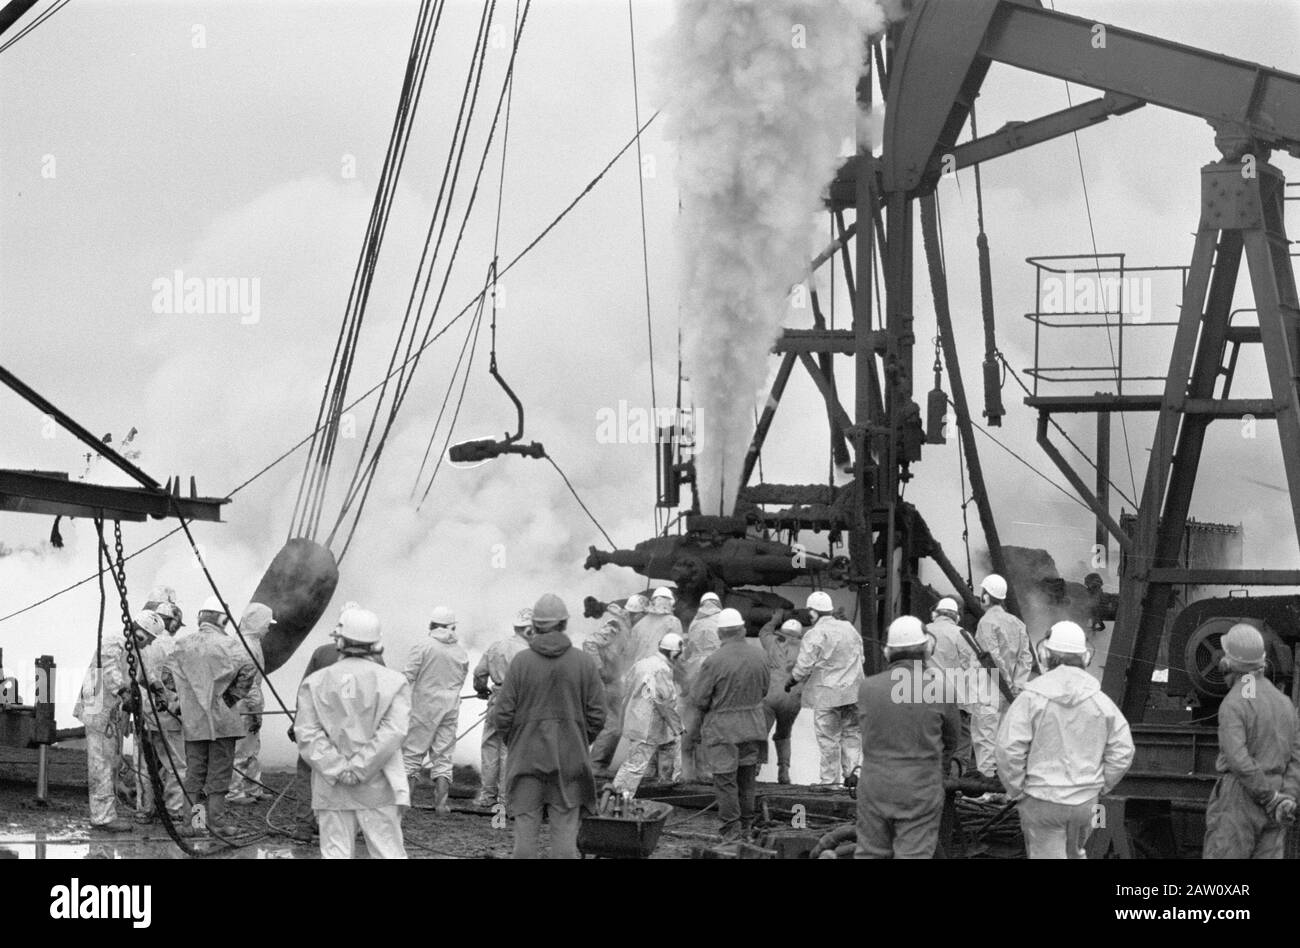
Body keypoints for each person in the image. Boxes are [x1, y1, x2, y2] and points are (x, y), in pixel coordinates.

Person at [996, 621, 1134, 859]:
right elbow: (1123, 750)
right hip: (1085, 803)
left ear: (1045, 654)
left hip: (1041, 800)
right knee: (1075, 854)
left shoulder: (1030, 700)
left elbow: (1009, 749)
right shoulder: (1100, 701)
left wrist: (1017, 790)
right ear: (1085, 657)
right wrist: (1100, 785)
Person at [492, 593, 605, 859]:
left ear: (535, 625)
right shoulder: (583, 663)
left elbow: (502, 715)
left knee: (525, 840)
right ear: (564, 623)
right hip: (570, 762)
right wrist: (577, 737)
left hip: (526, 760)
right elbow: (598, 715)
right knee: (566, 840)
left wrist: (519, 741)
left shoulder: (521, 663)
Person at [296, 608, 412, 859]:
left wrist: (338, 769)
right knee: (387, 853)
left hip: (332, 787)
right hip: (378, 786)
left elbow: (307, 734)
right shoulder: (394, 682)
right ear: (377, 643)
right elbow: (393, 732)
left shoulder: (314, 682)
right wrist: (360, 768)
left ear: (339, 641)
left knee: (335, 854)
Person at [855, 615, 960, 859]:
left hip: (874, 786)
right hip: (920, 788)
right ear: (927, 650)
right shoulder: (940, 689)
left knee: (870, 853)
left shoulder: (868, 688)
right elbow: (951, 740)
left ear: (887, 652)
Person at [286, 602, 382, 843]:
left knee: (308, 772)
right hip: (356, 732)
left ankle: (303, 828)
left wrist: (298, 722)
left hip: (320, 727)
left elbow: (304, 691)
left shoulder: (322, 653)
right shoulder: (376, 660)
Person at [1202, 623, 1300, 859]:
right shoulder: (1284, 703)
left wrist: (1268, 797)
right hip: (1277, 799)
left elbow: (1238, 760)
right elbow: (1296, 756)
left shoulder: (1234, 703)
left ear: (1227, 663)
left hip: (1241, 798)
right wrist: (1285, 798)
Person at [170, 596, 257, 834]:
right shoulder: (232, 646)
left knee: (194, 775)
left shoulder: (181, 645)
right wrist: (231, 697)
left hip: (194, 722)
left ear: (200, 617)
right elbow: (249, 670)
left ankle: (194, 824)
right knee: (218, 776)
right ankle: (216, 824)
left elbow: (168, 676)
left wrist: (185, 700)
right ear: (222, 619)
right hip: (223, 721)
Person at [685, 608, 769, 841]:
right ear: (742, 630)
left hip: (723, 730)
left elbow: (699, 699)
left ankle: (731, 832)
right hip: (753, 726)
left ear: (721, 633)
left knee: (725, 782)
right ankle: (747, 828)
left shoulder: (714, 661)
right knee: (747, 780)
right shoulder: (761, 656)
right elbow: (764, 690)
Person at [73, 614, 160, 832]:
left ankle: (105, 812)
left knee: (110, 760)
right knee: (101, 762)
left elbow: (141, 673)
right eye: (148, 638)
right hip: (97, 706)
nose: (149, 643)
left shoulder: (133, 648)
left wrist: (158, 688)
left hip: (109, 707)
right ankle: (102, 818)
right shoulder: (113, 641)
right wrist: (123, 691)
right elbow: (109, 669)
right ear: (140, 632)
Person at [786, 591, 865, 787]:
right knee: (852, 734)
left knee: (829, 739)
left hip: (828, 695)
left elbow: (804, 666)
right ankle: (852, 776)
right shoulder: (850, 629)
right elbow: (861, 658)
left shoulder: (815, 634)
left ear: (813, 613)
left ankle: (829, 782)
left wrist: (792, 680)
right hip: (854, 693)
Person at [401, 605, 469, 815]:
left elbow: (407, 677)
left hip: (422, 707)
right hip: (450, 708)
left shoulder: (423, 646)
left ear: (431, 625)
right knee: (443, 756)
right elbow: (460, 679)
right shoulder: (460, 652)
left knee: (411, 755)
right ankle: (441, 805)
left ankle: (406, 802)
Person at [972, 574, 1032, 779]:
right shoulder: (1016, 622)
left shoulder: (986, 622)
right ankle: (1005, 784)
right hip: (1011, 693)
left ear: (986, 597)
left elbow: (992, 657)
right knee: (1006, 739)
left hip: (991, 688)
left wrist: (1005, 682)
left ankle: (987, 783)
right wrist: (1017, 685)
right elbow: (1026, 658)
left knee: (986, 736)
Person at [472, 608, 533, 808]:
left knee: (490, 746)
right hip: (518, 702)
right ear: (529, 629)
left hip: (496, 700)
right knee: (511, 749)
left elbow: (480, 673)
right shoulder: (531, 653)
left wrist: (481, 690)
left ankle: (487, 796)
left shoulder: (496, 646)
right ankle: (506, 799)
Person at [612, 631, 685, 796]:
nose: (680, 659)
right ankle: (619, 799)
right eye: (679, 655)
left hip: (635, 720)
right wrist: (678, 727)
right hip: (647, 725)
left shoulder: (642, 663)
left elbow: (627, 687)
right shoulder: (662, 669)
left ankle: (663, 782)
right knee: (635, 765)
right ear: (674, 653)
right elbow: (665, 701)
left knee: (663, 749)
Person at [133, 608, 187, 825]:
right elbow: (179, 681)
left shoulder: (144, 645)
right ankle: (174, 809)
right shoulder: (173, 645)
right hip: (169, 713)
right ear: (171, 622)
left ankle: (145, 810)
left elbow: (138, 676)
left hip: (145, 711)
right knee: (177, 763)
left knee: (145, 763)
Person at [227, 602, 275, 805]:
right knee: (241, 749)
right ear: (257, 623)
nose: (268, 628)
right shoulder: (246, 645)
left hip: (248, 703)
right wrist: (256, 711)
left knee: (252, 747)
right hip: (244, 705)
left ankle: (253, 787)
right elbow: (250, 684)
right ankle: (234, 792)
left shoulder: (251, 642)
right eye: (266, 623)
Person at [926, 597, 978, 771]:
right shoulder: (962, 634)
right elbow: (973, 668)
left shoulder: (923, 632)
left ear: (935, 614)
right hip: (957, 702)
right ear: (956, 617)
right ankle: (953, 785)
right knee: (959, 747)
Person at [585, 599, 633, 778]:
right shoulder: (616, 625)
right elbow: (590, 643)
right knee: (612, 726)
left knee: (615, 726)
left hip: (612, 682)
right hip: (604, 683)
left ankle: (597, 764)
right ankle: (596, 765)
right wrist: (600, 669)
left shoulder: (625, 628)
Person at [679, 592, 722, 783]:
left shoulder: (695, 622)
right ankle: (705, 772)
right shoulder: (722, 619)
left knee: (690, 721)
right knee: (709, 722)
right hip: (714, 671)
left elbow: (687, 651)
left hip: (693, 673)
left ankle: (684, 769)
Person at [758, 610, 804, 784]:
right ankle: (783, 770)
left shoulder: (772, 642)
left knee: (761, 731)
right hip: (792, 698)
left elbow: (764, 631)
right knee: (784, 734)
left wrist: (775, 618)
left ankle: (756, 766)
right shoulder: (805, 647)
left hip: (769, 696)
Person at [624, 587, 684, 669]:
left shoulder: (640, 623)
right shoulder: (673, 622)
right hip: (660, 670)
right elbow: (677, 651)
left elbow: (629, 653)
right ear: (671, 603)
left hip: (638, 670)